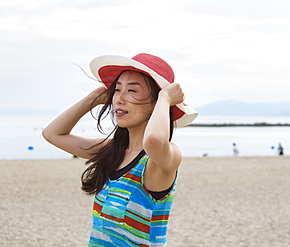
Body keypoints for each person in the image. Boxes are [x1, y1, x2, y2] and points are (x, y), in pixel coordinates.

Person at [42, 53, 198, 246]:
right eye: (117, 90)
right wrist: (93, 98)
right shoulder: (113, 151)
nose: (119, 99)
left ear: (156, 103)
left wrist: (165, 97)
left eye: (132, 90)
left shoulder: (166, 157)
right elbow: (53, 134)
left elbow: (154, 141)